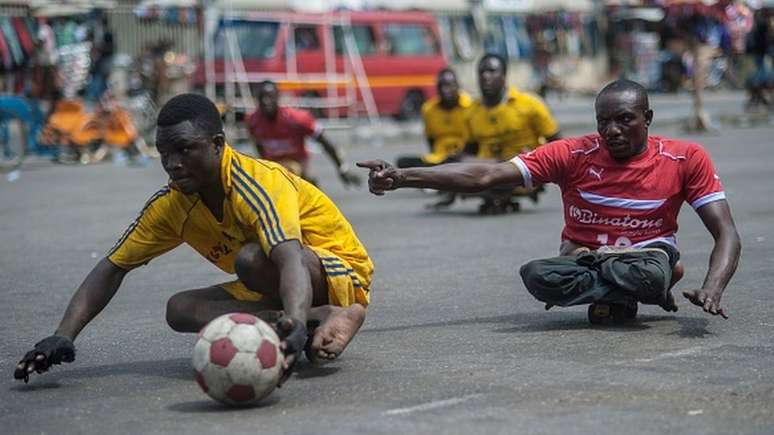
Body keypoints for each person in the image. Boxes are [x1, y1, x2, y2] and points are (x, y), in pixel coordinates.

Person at [14, 93, 373, 383]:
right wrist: (63, 334)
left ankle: (311, 317)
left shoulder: (258, 182)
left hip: (335, 270)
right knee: (180, 309)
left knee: (251, 259)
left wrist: (292, 323)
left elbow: (289, 259)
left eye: (185, 149)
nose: (173, 163)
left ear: (217, 144)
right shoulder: (171, 205)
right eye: (165, 153)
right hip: (279, 281)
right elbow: (112, 267)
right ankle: (318, 317)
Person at [358, 80, 740, 323]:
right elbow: (487, 175)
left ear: (648, 118)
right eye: (603, 121)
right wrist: (403, 177)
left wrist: (713, 287)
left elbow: (726, 232)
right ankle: (636, 292)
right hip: (584, 256)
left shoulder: (685, 157)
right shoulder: (573, 154)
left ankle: (637, 286)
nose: (612, 131)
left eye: (624, 119)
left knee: (651, 271)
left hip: (645, 256)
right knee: (537, 275)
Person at [462, 53, 561, 213]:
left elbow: (556, 142)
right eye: (481, 72)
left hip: (522, 168)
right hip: (487, 169)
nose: (486, 76)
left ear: (504, 75)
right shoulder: (470, 112)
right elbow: (469, 150)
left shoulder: (530, 104)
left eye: (492, 71)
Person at [246, 80, 360, 187]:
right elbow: (258, 145)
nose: (266, 101)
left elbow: (325, 142)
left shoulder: (297, 119)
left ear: (277, 97)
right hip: (272, 170)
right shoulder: (253, 121)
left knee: (291, 170)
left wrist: (342, 169)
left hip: (297, 168)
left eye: (270, 97)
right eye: (262, 97)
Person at [396, 68, 472, 169]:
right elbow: (430, 139)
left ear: (457, 86)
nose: (445, 90)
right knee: (402, 162)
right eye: (441, 86)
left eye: (449, 85)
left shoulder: (470, 106)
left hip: (462, 158)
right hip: (438, 158)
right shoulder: (428, 109)